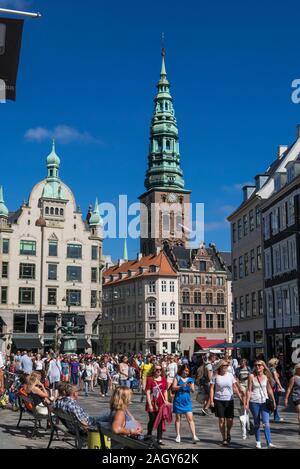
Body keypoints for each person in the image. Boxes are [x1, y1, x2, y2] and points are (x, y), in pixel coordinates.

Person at [210, 359, 243, 446]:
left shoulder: (230, 375)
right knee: (221, 419)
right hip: (218, 399)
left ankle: (228, 432)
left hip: (229, 399)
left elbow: (235, 387)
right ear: (220, 366)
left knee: (230, 419)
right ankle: (224, 438)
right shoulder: (215, 376)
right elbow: (211, 389)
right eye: (224, 365)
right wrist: (211, 400)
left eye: (227, 366)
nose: (226, 367)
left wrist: (240, 398)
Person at [245, 360, 277, 449]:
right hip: (254, 402)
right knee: (257, 423)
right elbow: (249, 390)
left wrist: (273, 400)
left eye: (259, 365)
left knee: (266, 423)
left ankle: (269, 442)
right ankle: (258, 442)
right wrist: (247, 403)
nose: (257, 366)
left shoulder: (266, 377)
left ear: (263, 366)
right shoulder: (251, 376)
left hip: (264, 402)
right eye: (256, 365)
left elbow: (269, 389)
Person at [172, 365, 199, 444]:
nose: (187, 372)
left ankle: (194, 436)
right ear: (182, 370)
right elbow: (173, 387)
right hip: (178, 401)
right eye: (185, 370)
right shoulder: (177, 377)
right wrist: (181, 386)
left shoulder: (190, 379)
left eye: (188, 371)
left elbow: (193, 391)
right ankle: (178, 435)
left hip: (187, 402)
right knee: (178, 419)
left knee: (190, 419)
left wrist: (191, 387)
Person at [146, 364, 170, 446]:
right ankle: (149, 434)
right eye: (157, 369)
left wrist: (166, 400)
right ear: (153, 370)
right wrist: (150, 404)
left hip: (161, 403)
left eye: (160, 369)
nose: (158, 371)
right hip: (152, 402)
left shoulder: (163, 379)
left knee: (160, 420)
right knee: (152, 419)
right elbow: (148, 392)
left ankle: (159, 438)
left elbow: (165, 390)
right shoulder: (150, 379)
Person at [284, 363, 300, 435]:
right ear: (297, 369)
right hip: (297, 397)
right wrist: (286, 398)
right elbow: (289, 389)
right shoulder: (293, 378)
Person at [268, 358, 285, 422]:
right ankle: (268, 416)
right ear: (274, 363)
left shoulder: (268, 368)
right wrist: (280, 387)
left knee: (274, 401)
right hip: (274, 387)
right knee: (275, 402)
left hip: (270, 386)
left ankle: (276, 417)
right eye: (276, 363)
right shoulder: (273, 369)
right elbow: (276, 378)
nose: (277, 365)